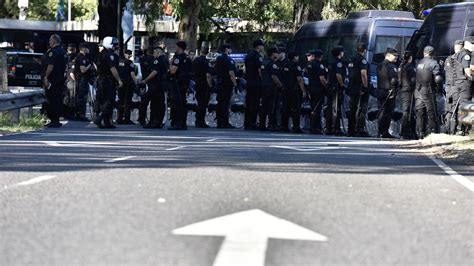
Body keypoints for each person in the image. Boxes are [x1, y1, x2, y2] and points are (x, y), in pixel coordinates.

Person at [94, 36, 123, 129]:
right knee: (110, 101)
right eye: (114, 45)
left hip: (100, 80)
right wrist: (118, 79)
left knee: (103, 100)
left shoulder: (100, 54)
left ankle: (107, 122)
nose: (116, 47)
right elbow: (113, 68)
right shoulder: (111, 55)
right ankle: (100, 118)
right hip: (108, 81)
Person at [414, 45, 442, 139]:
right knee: (431, 111)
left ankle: (420, 132)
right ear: (432, 53)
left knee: (420, 111)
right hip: (428, 90)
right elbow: (438, 78)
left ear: (424, 52)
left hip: (418, 89)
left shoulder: (419, 62)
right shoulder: (433, 63)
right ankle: (432, 131)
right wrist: (439, 88)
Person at [43, 34, 69, 128]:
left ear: (54, 41)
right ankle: (56, 119)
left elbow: (51, 65)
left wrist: (46, 77)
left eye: (50, 40)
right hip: (61, 79)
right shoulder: (64, 52)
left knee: (51, 99)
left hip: (52, 80)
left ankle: (53, 120)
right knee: (58, 100)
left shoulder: (53, 52)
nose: (49, 42)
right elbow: (67, 67)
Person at [140, 46, 168, 128]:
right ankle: (158, 122)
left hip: (156, 85)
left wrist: (145, 80)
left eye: (155, 52)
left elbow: (155, 71)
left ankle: (153, 122)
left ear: (158, 52)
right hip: (162, 85)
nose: (153, 54)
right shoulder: (165, 60)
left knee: (154, 104)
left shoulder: (157, 60)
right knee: (161, 104)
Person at [280, 51, 307, 133]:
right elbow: (299, 79)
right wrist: (303, 91)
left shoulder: (285, 65)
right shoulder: (296, 66)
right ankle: (296, 127)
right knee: (296, 109)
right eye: (297, 56)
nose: (298, 58)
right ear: (294, 57)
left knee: (285, 108)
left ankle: (283, 126)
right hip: (294, 90)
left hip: (285, 89)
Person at [347, 43, 370, 137]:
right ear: (364, 50)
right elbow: (363, 74)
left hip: (352, 86)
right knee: (362, 108)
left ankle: (350, 129)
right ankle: (359, 129)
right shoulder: (362, 60)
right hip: (360, 87)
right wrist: (365, 87)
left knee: (352, 109)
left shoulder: (351, 59)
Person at [168, 40, 192, 130]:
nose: (175, 48)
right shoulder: (187, 57)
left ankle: (177, 123)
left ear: (179, 47)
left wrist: (170, 64)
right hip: (184, 83)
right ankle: (182, 122)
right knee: (183, 102)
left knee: (176, 103)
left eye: (176, 46)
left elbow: (173, 70)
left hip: (177, 83)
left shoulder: (178, 58)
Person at [376, 48, 399, 138]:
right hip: (389, 92)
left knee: (381, 110)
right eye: (395, 56)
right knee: (388, 112)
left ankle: (380, 131)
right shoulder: (391, 66)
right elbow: (394, 80)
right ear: (388, 55)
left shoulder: (380, 65)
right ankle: (384, 131)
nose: (396, 57)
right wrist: (394, 90)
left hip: (380, 90)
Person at [444, 40, 466, 134]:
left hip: (449, 88)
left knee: (450, 108)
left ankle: (448, 129)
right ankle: (460, 129)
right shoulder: (463, 58)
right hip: (460, 87)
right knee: (461, 108)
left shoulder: (448, 59)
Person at [259, 47, 283, 131]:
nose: (277, 54)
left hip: (264, 86)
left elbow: (261, 74)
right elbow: (274, 76)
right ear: (273, 53)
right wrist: (280, 85)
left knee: (264, 106)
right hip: (272, 88)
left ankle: (262, 124)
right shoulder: (273, 64)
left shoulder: (264, 62)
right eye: (276, 53)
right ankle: (272, 124)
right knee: (272, 107)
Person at [215, 44, 238, 129]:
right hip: (227, 84)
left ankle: (219, 122)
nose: (231, 50)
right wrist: (235, 84)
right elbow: (231, 73)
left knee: (220, 102)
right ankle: (225, 122)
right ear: (226, 49)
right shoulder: (228, 59)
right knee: (226, 103)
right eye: (230, 49)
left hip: (219, 83)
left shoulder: (218, 59)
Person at [325, 46, 346, 136]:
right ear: (339, 53)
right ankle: (336, 128)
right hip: (336, 88)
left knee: (330, 108)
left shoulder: (330, 62)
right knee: (336, 108)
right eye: (342, 52)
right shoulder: (338, 63)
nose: (343, 53)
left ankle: (328, 127)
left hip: (330, 87)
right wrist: (342, 84)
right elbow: (338, 75)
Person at [244, 39, 264, 130]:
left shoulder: (248, 56)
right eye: (261, 46)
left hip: (249, 82)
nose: (262, 47)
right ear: (258, 46)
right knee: (255, 103)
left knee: (248, 103)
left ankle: (247, 122)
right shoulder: (257, 56)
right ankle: (253, 122)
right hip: (256, 82)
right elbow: (260, 70)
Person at [306, 49, 327, 134]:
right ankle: (316, 127)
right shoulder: (319, 65)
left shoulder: (309, 64)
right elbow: (322, 78)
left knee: (312, 106)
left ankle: (311, 126)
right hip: (318, 88)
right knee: (317, 108)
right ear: (321, 56)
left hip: (310, 87)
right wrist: (326, 86)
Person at [193, 44, 213, 128]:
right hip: (204, 85)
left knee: (199, 103)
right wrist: (210, 86)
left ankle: (198, 120)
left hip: (197, 83)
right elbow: (208, 75)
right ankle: (201, 121)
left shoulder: (196, 60)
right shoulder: (206, 62)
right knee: (203, 104)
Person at [73, 42, 95, 121]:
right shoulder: (80, 57)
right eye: (87, 48)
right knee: (81, 97)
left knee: (83, 97)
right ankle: (80, 115)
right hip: (81, 79)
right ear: (83, 48)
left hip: (84, 79)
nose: (88, 50)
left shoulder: (85, 57)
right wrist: (89, 65)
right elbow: (83, 70)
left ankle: (82, 114)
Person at [399, 51, 417, 139]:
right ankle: (406, 131)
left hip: (403, 90)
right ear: (410, 58)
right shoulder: (410, 67)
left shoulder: (401, 66)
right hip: (409, 91)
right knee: (408, 112)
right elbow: (413, 80)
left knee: (405, 111)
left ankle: (404, 131)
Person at [117, 49, 137, 125]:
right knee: (127, 101)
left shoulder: (119, 62)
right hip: (128, 84)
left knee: (120, 101)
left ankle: (119, 118)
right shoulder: (129, 62)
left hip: (120, 83)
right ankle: (126, 118)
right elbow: (132, 74)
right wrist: (136, 83)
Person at [138, 47, 155, 126]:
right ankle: (152, 119)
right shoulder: (154, 59)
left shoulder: (142, 59)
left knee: (143, 103)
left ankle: (142, 119)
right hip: (152, 82)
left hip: (144, 81)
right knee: (153, 103)